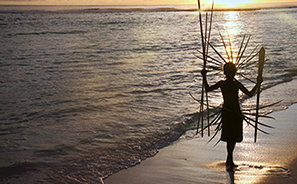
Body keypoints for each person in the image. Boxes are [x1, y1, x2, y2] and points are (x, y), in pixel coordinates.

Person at [201, 62, 262, 171]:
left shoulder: (233, 84)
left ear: (235, 72)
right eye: (229, 72)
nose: (231, 73)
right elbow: (207, 89)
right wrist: (204, 77)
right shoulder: (226, 84)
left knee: (232, 138)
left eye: (232, 71)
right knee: (230, 137)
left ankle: (229, 159)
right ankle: (229, 159)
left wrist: (258, 84)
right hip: (229, 113)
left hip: (234, 113)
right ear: (225, 72)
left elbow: (250, 94)